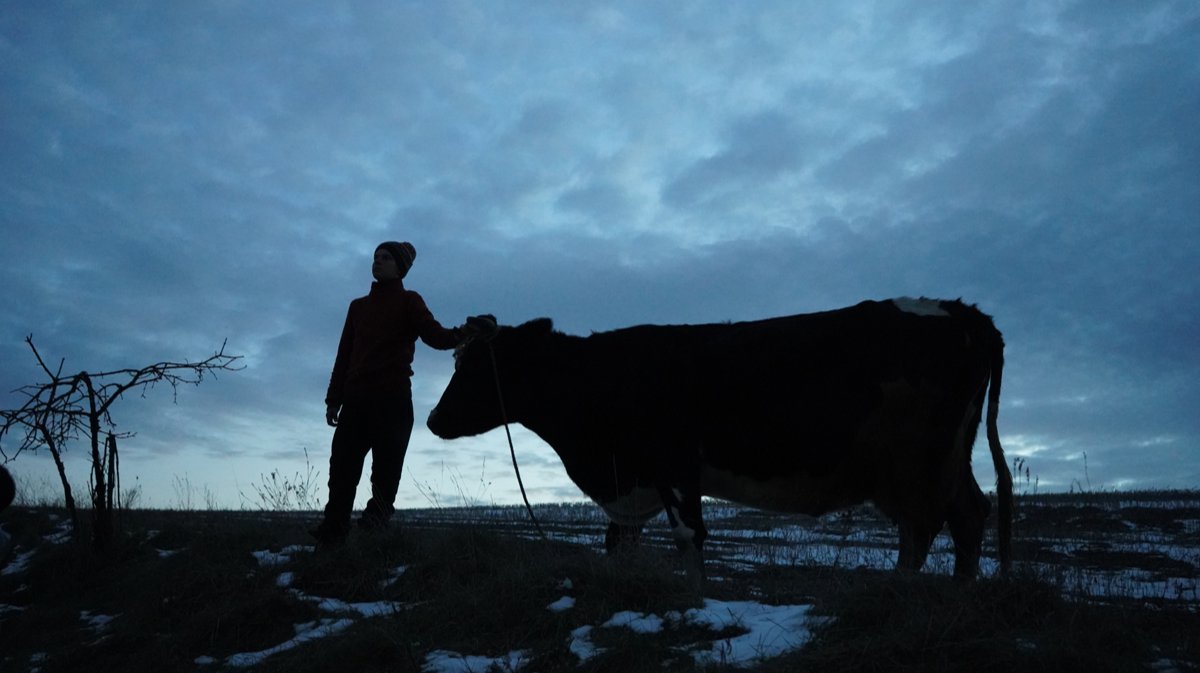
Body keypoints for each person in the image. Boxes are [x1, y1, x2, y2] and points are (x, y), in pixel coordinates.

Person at [311, 241, 482, 546]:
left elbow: (437, 336)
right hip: (356, 402)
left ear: (400, 267)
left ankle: (373, 537)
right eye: (376, 257)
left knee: (386, 477)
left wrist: (466, 333)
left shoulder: (409, 302)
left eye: (386, 258)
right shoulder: (357, 307)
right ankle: (332, 536)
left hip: (393, 402)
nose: (377, 262)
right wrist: (333, 400)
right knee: (341, 472)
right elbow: (344, 355)